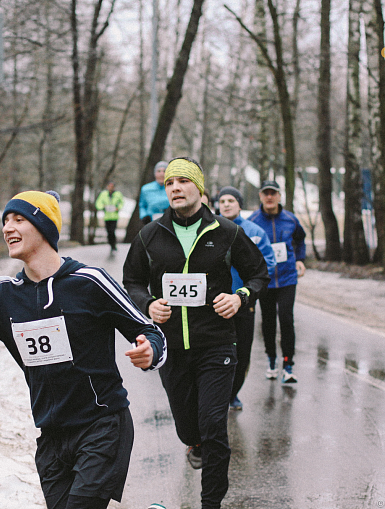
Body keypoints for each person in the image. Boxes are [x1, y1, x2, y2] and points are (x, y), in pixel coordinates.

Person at [0, 190, 167, 509]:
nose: (8, 228)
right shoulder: (5, 297)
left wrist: (150, 352)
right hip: (51, 437)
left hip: (102, 426)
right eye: (5, 221)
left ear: (45, 226)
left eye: (19, 219)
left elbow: (148, 329)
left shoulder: (89, 282)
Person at [123, 158, 269, 509]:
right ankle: (193, 442)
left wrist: (239, 297)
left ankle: (211, 503)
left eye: (183, 181)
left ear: (200, 190)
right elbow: (131, 281)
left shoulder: (227, 232)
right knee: (189, 427)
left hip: (216, 344)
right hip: (172, 347)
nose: (174, 187)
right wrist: (148, 304)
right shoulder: (150, 235)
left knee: (214, 426)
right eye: (170, 182)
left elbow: (258, 273)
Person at [217, 186, 276, 411]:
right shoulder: (210, 229)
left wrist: (247, 291)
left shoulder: (255, 232)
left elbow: (267, 265)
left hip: (243, 303)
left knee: (242, 352)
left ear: (239, 204)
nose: (226, 204)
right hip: (215, 304)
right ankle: (217, 394)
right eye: (222, 201)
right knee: (217, 352)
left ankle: (233, 394)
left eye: (231, 200)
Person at [248, 180, 306, 384]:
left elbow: (300, 239)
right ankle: (271, 360)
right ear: (261, 197)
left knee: (287, 319)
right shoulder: (253, 221)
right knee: (269, 321)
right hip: (265, 280)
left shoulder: (290, 219)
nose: (270, 197)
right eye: (266, 194)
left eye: (273, 193)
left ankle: (288, 364)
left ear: (279, 196)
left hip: (288, 278)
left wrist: (299, 259)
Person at [95, 181, 124, 251]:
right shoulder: (103, 194)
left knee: (112, 230)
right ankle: (111, 243)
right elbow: (98, 203)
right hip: (107, 216)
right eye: (109, 186)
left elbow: (122, 202)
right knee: (108, 231)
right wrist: (103, 207)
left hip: (114, 216)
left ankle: (113, 244)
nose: (110, 188)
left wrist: (118, 208)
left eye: (112, 186)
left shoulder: (118, 194)